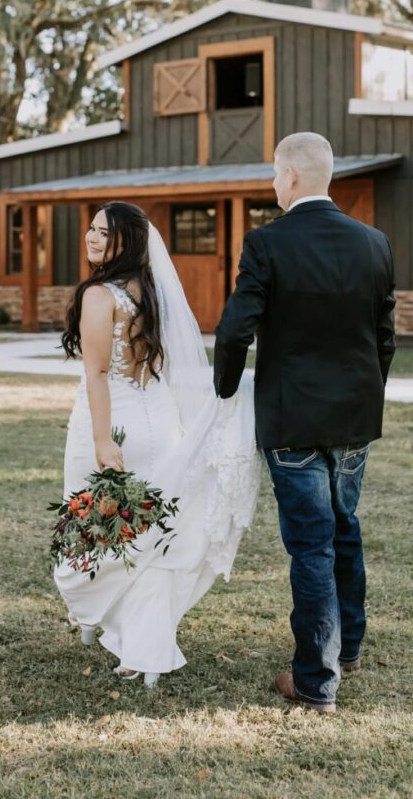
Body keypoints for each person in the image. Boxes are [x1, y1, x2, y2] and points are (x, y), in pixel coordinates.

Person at [214, 132, 396, 714]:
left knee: (312, 545)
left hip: (292, 419)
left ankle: (316, 681)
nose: (273, 185)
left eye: (274, 174)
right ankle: (349, 649)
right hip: (353, 418)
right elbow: (384, 338)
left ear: (291, 176)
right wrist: (366, 394)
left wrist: (223, 390)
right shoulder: (375, 243)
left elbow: (234, 329)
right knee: (345, 527)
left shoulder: (266, 243)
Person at [54, 201, 260, 687]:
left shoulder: (99, 296)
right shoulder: (151, 293)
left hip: (111, 424)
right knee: (150, 538)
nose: (91, 237)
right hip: (159, 424)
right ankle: (141, 645)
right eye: (90, 229)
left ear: (125, 241)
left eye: (103, 232)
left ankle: (97, 618)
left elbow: (99, 373)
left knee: (100, 533)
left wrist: (103, 440)